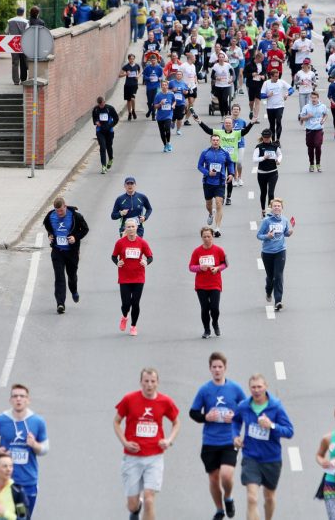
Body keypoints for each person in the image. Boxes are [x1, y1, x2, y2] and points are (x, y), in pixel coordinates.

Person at [114, 368, 181, 520]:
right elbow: (116, 421)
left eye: (152, 381)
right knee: (132, 504)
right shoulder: (129, 399)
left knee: (150, 499)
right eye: (146, 381)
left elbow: (176, 422)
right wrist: (125, 442)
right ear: (140, 382)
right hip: (132, 458)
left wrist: (169, 440)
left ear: (157, 383)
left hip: (155, 457)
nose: (149, 385)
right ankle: (135, 509)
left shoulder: (165, 401)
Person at [190, 352, 247, 520]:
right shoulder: (205, 390)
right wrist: (205, 417)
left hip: (230, 440)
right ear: (210, 369)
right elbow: (193, 412)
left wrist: (234, 415)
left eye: (220, 367)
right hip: (210, 441)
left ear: (225, 368)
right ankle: (219, 509)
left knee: (227, 475)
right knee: (214, 479)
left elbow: (246, 410)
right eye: (214, 367)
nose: (217, 370)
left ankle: (228, 498)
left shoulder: (235, 389)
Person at [232, 374, 294, 520]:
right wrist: (235, 436)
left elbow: (289, 431)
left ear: (265, 387)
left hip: (271, 458)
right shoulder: (244, 406)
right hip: (250, 457)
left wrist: (271, 426)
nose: (256, 390)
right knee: (252, 498)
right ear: (249, 388)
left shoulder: (276, 407)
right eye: (253, 387)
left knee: (269, 497)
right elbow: (235, 422)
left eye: (259, 387)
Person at [0, 384, 49, 518]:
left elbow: (45, 449)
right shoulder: (0, 420)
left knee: (22, 517)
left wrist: (34, 445)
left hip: (28, 482)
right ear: (10, 400)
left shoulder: (37, 422)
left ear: (28, 400)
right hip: (4, 482)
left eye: (22, 396)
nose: (18, 399)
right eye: (15, 396)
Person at [195, 114, 256, 206]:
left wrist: (251, 123)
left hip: (231, 160)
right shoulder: (219, 132)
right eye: (226, 123)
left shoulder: (236, 133)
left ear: (232, 124)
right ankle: (220, 195)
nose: (227, 124)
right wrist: (199, 122)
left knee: (230, 178)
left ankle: (228, 197)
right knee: (221, 178)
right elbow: (208, 130)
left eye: (229, 123)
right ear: (223, 124)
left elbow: (245, 131)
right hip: (221, 160)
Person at [42, 196, 89, 313]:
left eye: (61, 210)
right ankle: (60, 304)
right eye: (57, 211)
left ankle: (74, 290)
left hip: (71, 252)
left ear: (65, 206)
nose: (59, 213)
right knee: (59, 277)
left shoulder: (75, 216)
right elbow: (48, 227)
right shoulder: (50, 216)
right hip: (57, 251)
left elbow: (85, 229)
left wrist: (75, 237)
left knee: (71, 275)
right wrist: (50, 235)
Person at [112, 219, 153, 336]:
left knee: (135, 303)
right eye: (128, 227)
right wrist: (117, 262)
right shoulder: (120, 243)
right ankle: (125, 316)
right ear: (125, 228)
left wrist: (146, 262)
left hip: (138, 277)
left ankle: (133, 326)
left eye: (132, 227)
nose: (130, 229)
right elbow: (114, 256)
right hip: (124, 277)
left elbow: (150, 256)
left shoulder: (142, 243)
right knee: (125, 304)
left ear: (136, 228)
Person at [189, 226, 228, 338]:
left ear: (212, 237)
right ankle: (207, 330)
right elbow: (191, 267)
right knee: (205, 308)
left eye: (209, 236)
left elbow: (225, 264)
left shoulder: (219, 250)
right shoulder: (197, 251)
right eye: (204, 236)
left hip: (215, 283)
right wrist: (200, 268)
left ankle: (215, 323)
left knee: (215, 308)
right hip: (201, 285)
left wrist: (217, 268)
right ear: (201, 237)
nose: (207, 239)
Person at [257, 199, 294, 312]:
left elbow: (286, 233)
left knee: (278, 275)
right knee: (270, 277)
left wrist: (289, 233)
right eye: (275, 206)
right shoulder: (266, 221)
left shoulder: (284, 220)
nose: (277, 208)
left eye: (279, 206)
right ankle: (268, 290)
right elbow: (259, 235)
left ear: (282, 208)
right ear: (271, 208)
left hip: (280, 251)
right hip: (267, 252)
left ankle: (278, 301)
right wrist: (267, 236)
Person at [197, 134, 235, 236]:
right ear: (211, 141)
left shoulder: (224, 153)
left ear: (220, 141)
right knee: (209, 204)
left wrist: (231, 174)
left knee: (219, 203)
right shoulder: (205, 153)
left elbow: (230, 163)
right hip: (208, 182)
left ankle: (217, 228)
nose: (215, 142)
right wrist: (207, 172)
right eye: (213, 140)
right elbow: (199, 166)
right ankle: (210, 213)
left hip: (220, 182)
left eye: (217, 140)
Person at [252, 129, 282, 217]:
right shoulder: (259, 147)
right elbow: (254, 159)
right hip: (262, 173)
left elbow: (280, 155)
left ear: (270, 137)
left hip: (273, 172)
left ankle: (270, 212)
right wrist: (263, 158)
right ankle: (263, 210)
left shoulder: (275, 146)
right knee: (263, 192)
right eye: (264, 137)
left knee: (271, 192)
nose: (266, 139)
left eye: (268, 137)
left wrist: (278, 160)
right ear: (262, 137)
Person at [298, 90, 327, 172]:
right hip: (309, 130)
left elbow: (325, 114)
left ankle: (318, 164)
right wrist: (307, 116)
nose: (313, 99)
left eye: (315, 98)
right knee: (310, 147)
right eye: (312, 98)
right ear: (310, 98)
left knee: (318, 146)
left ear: (318, 98)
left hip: (319, 129)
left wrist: (323, 120)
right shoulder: (306, 107)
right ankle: (311, 164)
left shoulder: (323, 106)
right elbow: (301, 118)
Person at [260, 69, 290, 144]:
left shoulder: (281, 82)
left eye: (278, 76)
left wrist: (287, 94)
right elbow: (261, 95)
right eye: (276, 76)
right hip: (270, 107)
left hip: (280, 105)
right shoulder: (266, 83)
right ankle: (273, 140)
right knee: (272, 124)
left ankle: (278, 140)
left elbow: (291, 89)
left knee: (279, 122)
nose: (277, 78)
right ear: (271, 76)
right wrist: (267, 95)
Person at [93, 96, 119, 173]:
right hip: (100, 131)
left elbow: (116, 119)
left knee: (109, 146)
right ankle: (103, 166)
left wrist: (110, 126)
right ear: (98, 104)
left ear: (104, 102)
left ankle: (110, 159)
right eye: (100, 105)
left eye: (102, 104)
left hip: (109, 131)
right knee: (102, 147)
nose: (101, 106)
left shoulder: (110, 108)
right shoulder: (96, 109)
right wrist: (96, 122)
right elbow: (94, 118)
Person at [7, 7, 29, 84]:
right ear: (23, 13)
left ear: (16, 12)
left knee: (15, 63)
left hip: (13, 44)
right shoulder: (26, 22)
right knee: (23, 62)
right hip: (23, 44)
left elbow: (6, 32)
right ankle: (23, 79)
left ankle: (16, 81)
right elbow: (28, 33)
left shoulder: (10, 21)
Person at [153, 80, 175, 152]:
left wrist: (173, 105)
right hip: (160, 116)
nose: (164, 86)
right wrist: (160, 104)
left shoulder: (171, 94)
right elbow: (155, 106)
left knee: (167, 129)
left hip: (168, 115)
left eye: (166, 85)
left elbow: (174, 101)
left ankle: (168, 143)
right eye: (163, 85)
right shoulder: (158, 95)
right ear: (161, 86)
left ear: (167, 86)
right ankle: (165, 145)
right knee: (162, 132)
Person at [120, 53, 142, 120]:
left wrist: (138, 76)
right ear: (128, 59)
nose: (132, 60)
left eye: (133, 59)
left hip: (134, 85)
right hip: (127, 85)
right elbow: (119, 75)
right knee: (128, 100)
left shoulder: (137, 66)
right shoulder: (126, 66)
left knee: (132, 98)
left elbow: (140, 72)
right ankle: (129, 113)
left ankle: (133, 111)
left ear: (134, 59)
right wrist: (126, 74)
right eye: (130, 59)